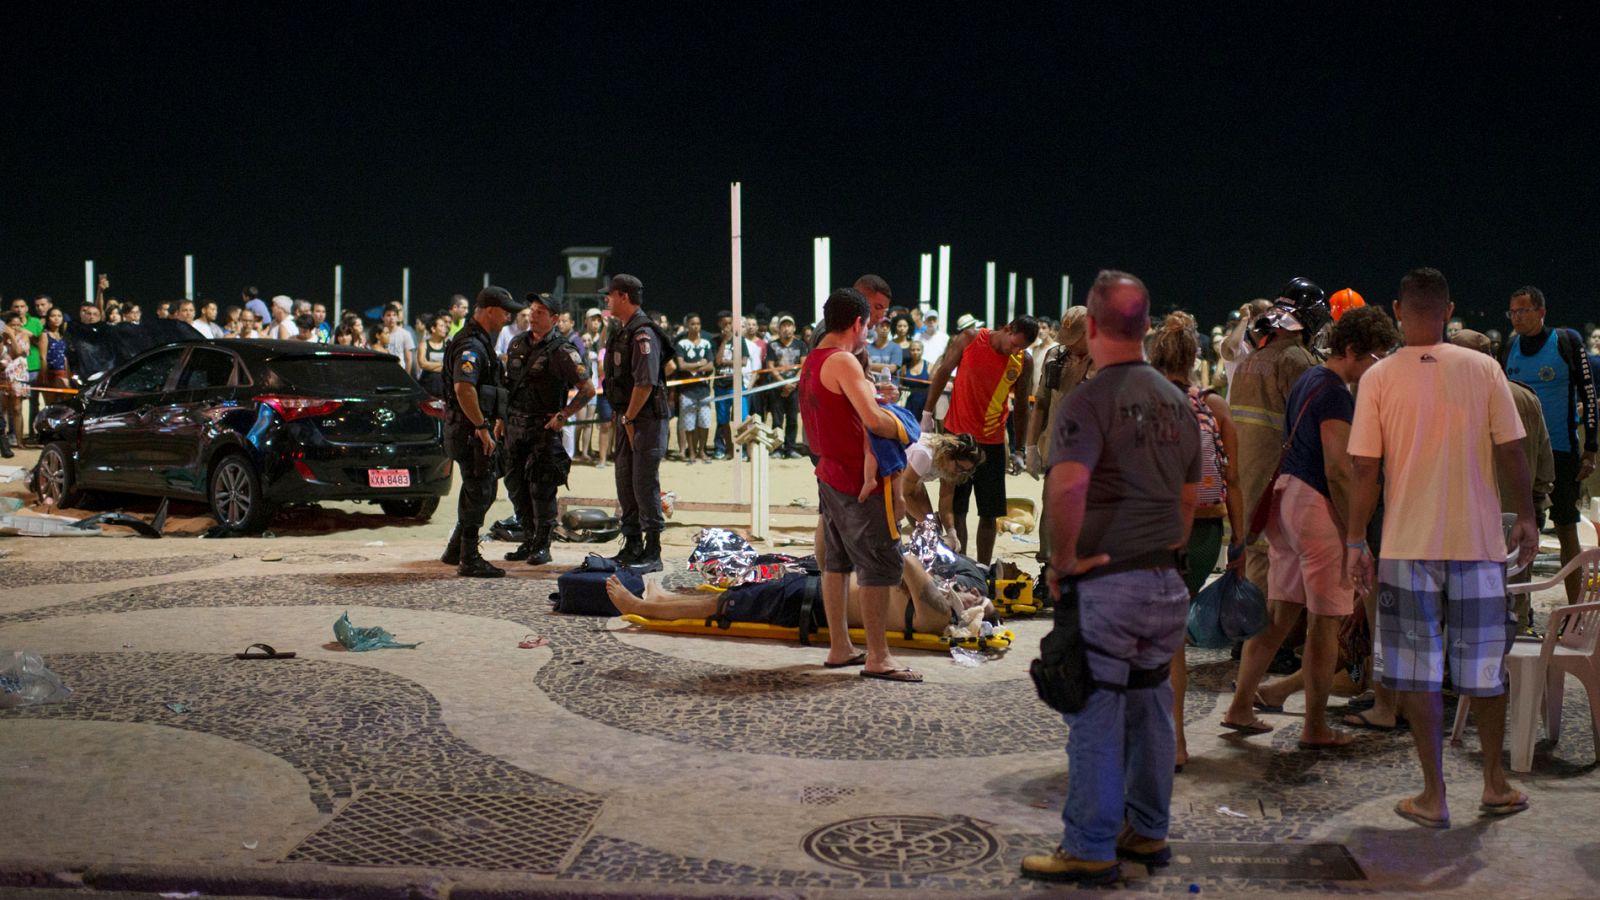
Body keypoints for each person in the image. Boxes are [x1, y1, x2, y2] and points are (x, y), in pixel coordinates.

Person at [1022, 270, 1199, 884]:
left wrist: (1063, 560)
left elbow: (1067, 485)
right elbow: (1188, 495)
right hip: (1166, 582)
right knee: (1151, 706)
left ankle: (1090, 845)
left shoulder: (1089, 399)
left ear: (1092, 327)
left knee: (1095, 716)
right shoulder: (1179, 399)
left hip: (1110, 582)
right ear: (1146, 325)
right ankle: (1147, 832)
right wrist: (1165, 548)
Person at [1345, 267, 1536, 830]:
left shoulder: (1378, 380)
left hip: (1407, 543)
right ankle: (1495, 785)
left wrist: (1356, 538)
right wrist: (1524, 517)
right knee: (1484, 667)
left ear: (1399, 311)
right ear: (1449, 310)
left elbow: (1364, 469)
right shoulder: (1484, 368)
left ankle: (1434, 796)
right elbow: (1513, 451)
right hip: (1477, 543)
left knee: (1416, 671)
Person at [1221, 305, 1398, 745]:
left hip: (1286, 500)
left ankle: (1242, 706)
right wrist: (1356, 534)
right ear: (1353, 349)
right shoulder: (1336, 391)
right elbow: (1339, 467)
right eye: (1375, 356)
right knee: (1325, 624)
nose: (1378, 366)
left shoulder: (1308, 379)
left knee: (1280, 616)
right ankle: (1315, 727)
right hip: (1316, 509)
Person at [801, 287, 919, 681]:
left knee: (836, 562)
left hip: (829, 473)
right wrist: (903, 425)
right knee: (879, 562)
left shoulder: (813, 358)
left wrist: (873, 396)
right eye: (868, 322)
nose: (869, 329)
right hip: (857, 479)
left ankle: (840, 646)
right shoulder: (844, 360)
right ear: (857, 323)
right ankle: (878, 656)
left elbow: (842, 408)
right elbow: (871, 421)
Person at [1149, 311, 1245, 770]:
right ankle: (1177, 742)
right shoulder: (1214, 406)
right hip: (1204, 532)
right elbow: (1237, 483)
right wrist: (1239, 545)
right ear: (1194, 359)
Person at [604, 550, 991, 637]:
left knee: (727, 605)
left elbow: (903, 556)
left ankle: (645, 609)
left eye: (973, 598)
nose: (968, 593)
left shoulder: (939, 611)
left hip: (813, 603)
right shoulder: (937, 603)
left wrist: (974, 603)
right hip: (817, 590)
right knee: (739, 592)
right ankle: (663, 601)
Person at [1453, 328, 1555, 640]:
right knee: (1514, 607)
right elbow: (1545, 471)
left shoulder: (1446, 400)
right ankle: (1510, 674)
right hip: (1514, 529)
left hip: (1459, 529)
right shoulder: (1525, 397)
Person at [1501, 286, 1598, 604]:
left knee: (1566, 526)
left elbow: (1589, 396)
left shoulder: (1566, 341)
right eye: (1512, 312)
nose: (1516, 318)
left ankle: (1577, 610)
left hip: (1560, 450)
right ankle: (1519, 614)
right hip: (1519, 454)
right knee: (1518, 529)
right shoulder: (1511, 345)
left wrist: (1591, 448)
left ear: (1541, 312)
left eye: (1523, 311)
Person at [1229, 281, 1323, 597]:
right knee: (1278, 566)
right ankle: (1262, 641)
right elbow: (1312, 425)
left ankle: (1247, 640)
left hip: (1246, 480)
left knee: (1255, 557)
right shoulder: (1296, 359)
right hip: (1278, 481)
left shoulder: (1251, 360)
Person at [919, 317, 1039, 564]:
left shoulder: (1022, 360)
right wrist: (927, 414)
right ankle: (960, 564)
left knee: (989, 513)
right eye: (1014, 344)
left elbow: (1022, 406)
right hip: (957, 438)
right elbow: (942, 373)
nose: (1015, 351)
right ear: (1007, 329)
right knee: (956, 507)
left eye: (1021, 348)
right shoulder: (971, 339)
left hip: (992, 442)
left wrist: (1019, 449)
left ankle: (982, 568)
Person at [502, 293, 594, 565]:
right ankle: (528, 540)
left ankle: (543, 545)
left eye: (540, 311)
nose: (533, 315)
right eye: (532, 310)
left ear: (554, 319)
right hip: (515, 427)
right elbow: (508, 386)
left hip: (543, 429)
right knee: (516, 487)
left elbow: (587, 390)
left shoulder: (563, 351)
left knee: (541, 489)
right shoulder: (517, 343)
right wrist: (500, 419)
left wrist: (564, 415)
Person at [439, 286, 523, 578]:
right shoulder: (472, 345)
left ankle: (456, 548)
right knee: (479, 488)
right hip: (470, 431)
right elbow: (464, 388)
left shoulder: (479, 340)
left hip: (469, 429)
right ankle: (469, 557)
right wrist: (481, 426)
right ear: (489, 310)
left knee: (480, 488)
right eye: (505, 311)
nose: (508, 316)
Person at [603, 275, 675, 573]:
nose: (606, 301)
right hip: (627, 417)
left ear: (622, 296)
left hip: (644, 420)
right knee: (625, 483)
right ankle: (632, 544)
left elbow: (644, 384)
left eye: (609, 296)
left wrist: (630, 417)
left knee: (644, 484)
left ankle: (652, 550)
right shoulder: (622, 331)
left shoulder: (643, 333)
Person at [673, 313, 714, 464]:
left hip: (703, 390)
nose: (696, 327)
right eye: (692, 324)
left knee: (704, 422)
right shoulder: (682, 344)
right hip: (687, 390)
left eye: (698, 324)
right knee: (689, 423)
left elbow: (711, 364)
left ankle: (701, 450)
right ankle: (691, 452)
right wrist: (699, 364)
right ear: (687, 326)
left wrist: (701, 364)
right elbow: (681, 365)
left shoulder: (706, 344)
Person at [765, 314, 806, 457]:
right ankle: (777, 448)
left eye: (789, 325)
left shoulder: (800, 345)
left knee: (793, 419)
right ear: (779, 328)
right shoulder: (772, 345)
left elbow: (803, 366)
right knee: (777, 420)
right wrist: (782, 383)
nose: (786, 329)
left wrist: (793, 383)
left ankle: (791, 448)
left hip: (794, 388)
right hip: (777, 388)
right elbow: (770, 366)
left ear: (794, 328)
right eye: (783, 325)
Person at [416, 313, 450, 398]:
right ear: (433, 329)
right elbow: (422, 364)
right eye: (441, 326)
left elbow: (449, 366)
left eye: (445, 327)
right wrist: (441, 364)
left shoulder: (447, 345)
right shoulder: (424, 345)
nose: (444, 329)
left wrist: (430, 365)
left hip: (443, 386)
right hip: (427, 386)